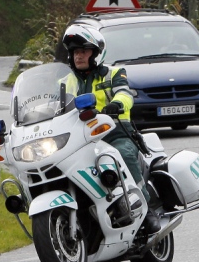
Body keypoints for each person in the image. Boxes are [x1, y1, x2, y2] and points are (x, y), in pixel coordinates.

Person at [60, 24, 161, 233]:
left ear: (96, 53)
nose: (78, 56)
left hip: (115, 132)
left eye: (84, 51)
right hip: (78, 139)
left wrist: (117, 104)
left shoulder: (114, 73)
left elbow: (125, 94)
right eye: (75, 52)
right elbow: (53, 107)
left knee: (123, 154)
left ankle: (146, 209)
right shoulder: (64, 82)